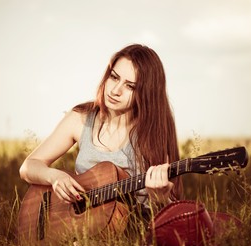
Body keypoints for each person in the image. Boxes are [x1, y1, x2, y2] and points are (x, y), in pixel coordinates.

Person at [19, 43, 183, 227]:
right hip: (82, 224)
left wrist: (159, 198)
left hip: (133, 227)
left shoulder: (154, 130)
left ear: (146, 93)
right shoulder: (80, 118)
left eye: (130, 86)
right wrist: (55, 177)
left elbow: (171, 209)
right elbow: (28, 167)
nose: (115, 90)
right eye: (114, 77)